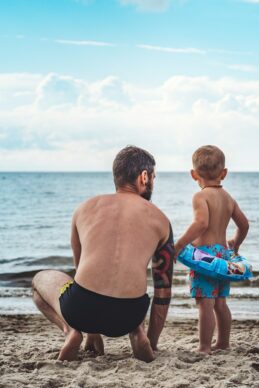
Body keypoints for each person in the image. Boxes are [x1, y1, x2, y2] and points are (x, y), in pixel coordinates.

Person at [31, 146, 174, 362]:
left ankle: (72, 331)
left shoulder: (85, 208)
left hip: (82, 309)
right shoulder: (161, 220)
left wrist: (92, 330)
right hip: (129, 316)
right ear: (144, 177)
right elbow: (163, 291)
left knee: (39, 281)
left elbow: (81, 270)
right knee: (136, 286)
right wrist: (152, 343)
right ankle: (139, 334)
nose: (153, 182)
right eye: (153, 177)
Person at [174, 145, 249, 355]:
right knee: (220, 302)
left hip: (204, 257)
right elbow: (244, 225)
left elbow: (201, 223)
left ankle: (205, 347)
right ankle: (223, 342)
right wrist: (235, 242)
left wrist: (179, 245)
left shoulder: (200, 196)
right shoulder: (228, 199)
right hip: (223, 257)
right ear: (224, 173)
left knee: (205, 303)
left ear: (193, 174)